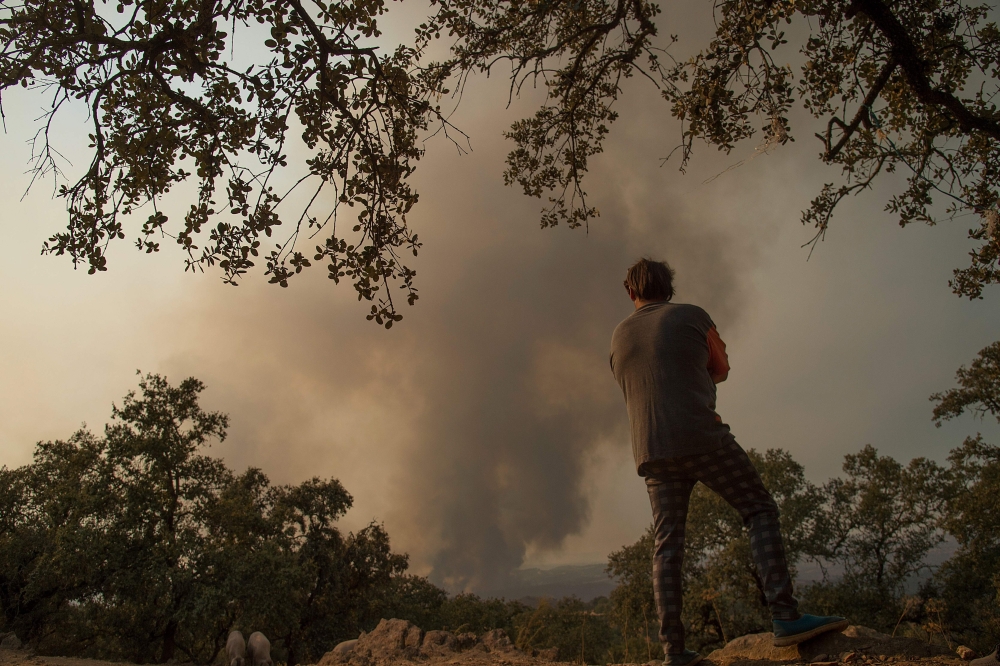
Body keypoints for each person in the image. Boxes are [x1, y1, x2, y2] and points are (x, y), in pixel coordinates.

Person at [609, 258, 847, 666]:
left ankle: (674, 652)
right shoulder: (694, 316)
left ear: (630, 292)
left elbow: (631, 383)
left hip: (651, 450)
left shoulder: (617, 336)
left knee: (667, 546)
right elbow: (720, 369)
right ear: (670, 289)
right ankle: (786, 617)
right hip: (703, 438)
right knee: (758, 509)